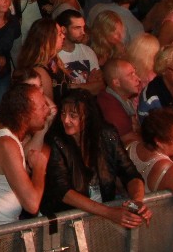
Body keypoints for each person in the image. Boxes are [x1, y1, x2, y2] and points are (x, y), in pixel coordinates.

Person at [42, 88, 149, 227]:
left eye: (73, 115)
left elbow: (130, 173)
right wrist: (110, 213)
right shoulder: (55, 141)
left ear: (88, 116)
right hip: (67, 221)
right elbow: (63, 191)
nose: (66, 120)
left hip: (100, 216)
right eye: (63, 113)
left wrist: (137, 202)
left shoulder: (107, 135)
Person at [0, 80, 56, 227]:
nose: (47, 111)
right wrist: (40, 167)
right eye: (42, 107)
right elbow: (32, 204)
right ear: (24, 114)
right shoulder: (7, 144)